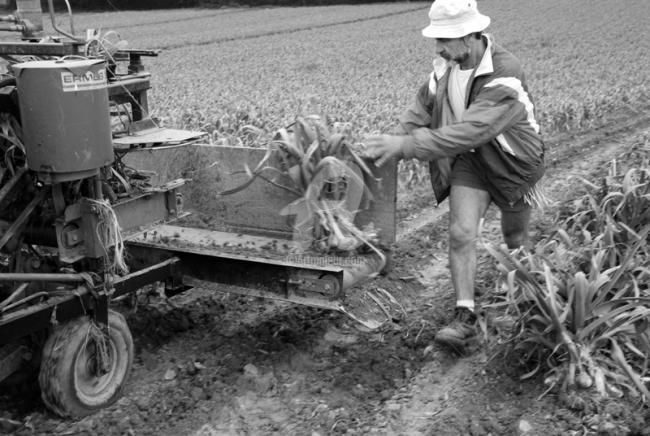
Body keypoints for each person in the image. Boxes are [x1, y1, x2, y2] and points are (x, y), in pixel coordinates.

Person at [364, 0, 545, 351]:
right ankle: (465, 317)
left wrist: (405, 146)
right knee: (461, 233)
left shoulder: (504, 72)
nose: (439, 47)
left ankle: (528, 302)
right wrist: (385, 144)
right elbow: (419, 112)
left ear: (471, 35)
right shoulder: (442, 70)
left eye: (445, 39)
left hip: (513, 163)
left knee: (515, 238)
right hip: (472, 161)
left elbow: (471, 131)